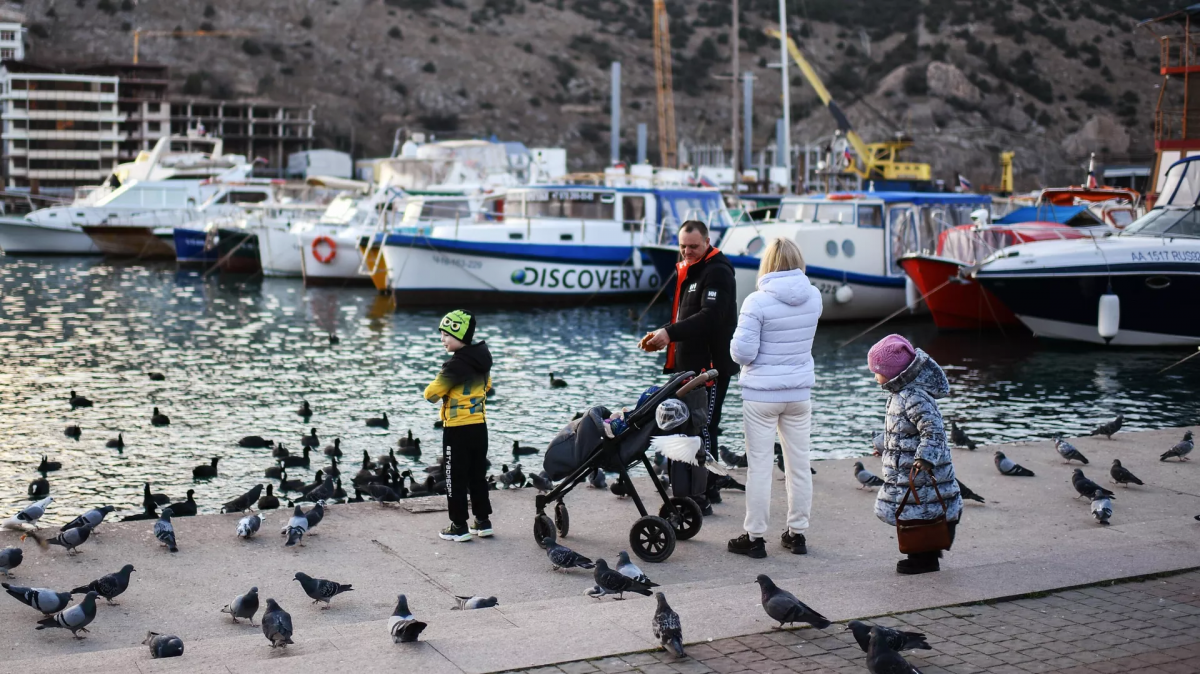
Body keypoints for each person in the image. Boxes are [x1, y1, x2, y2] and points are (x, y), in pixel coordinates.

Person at [726, 238, 821, 559]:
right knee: (798, 465)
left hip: (762, 397)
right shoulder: (815, 297)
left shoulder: (756, 301)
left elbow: (742, 353)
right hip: (798, 394)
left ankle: (754, 538)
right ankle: (797, 534)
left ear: (767, 264)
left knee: (760, 467)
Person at [641, 220, 737, 515]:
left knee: (703, 428)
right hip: (688, 367)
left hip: (709, 368)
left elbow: (710, 317)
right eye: (683, 246)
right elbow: (688, 317)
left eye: (693, 246)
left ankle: (704, 493)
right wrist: (665, 334)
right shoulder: (689, 268)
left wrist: (670, 333)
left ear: (708, 241)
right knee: (688, 426)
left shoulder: (717, 271)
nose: (687, 251)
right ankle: (703, 487)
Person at [868, 334, 963, 575]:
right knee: (914, 515)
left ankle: (924, 559)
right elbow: (901, 432)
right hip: (908, 470)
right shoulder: (900, 394)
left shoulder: (913, 396)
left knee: (919, 516)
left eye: (876, 371)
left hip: (920, 472)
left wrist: (924, 458)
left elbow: (934, 430)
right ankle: (925, 553)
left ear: (892, 372)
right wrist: (883, 445)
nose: (874, 376)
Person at [424, 309, 494, 542]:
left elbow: (431, 395)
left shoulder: (454, 366)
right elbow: (488, 386)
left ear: (459, 334)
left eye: (446, 334)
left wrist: (441, 379)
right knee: (477, 474)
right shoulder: (483, 358)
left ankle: (459, 526)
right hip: (479, 426)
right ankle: (482, 521)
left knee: (454, 477)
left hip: (457, 429)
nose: (442, 340)